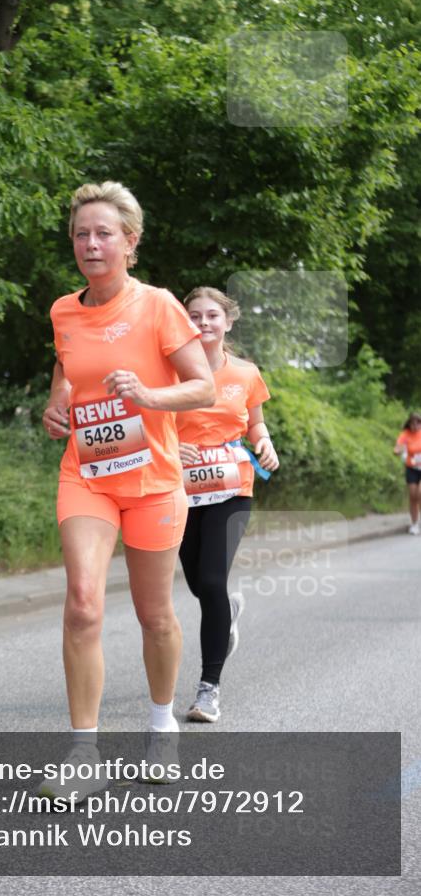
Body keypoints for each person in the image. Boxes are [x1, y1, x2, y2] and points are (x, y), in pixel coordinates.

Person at [40, 182, 215, 794]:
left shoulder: (158, 305)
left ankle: (161, 727)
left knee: (155, 614)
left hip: (153, 480)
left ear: (130, 242)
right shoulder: (64, 311)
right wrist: (57, 404)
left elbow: (203, 386)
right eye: (81, 234)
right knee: (83, 603)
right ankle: (83, 754)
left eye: (103, 233)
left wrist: (149, 395)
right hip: (87, 475)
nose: (90, 243)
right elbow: (66, 369)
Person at [176, 287, 279, 724]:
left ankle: (209, 689)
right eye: (194, 315)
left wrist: (265, 444)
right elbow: (151, 421)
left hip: (232, 487)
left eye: (212, 315)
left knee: (213, 580)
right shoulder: (169, 370)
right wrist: (170, 447)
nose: (203, 323)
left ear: (228, 321)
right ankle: (228, 613)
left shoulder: (246, 373)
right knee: (198, 583)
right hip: (179, 488)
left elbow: (255, 424)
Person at [393, 412, 421, 535]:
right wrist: (397, 450)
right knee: (413, 495)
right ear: (409, 424)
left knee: (420, 493)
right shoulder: (405, 434)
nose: (415, 426)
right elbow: (398, 446)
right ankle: (414, 524)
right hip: (412, 468)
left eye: (417, 424)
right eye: (412, 424)